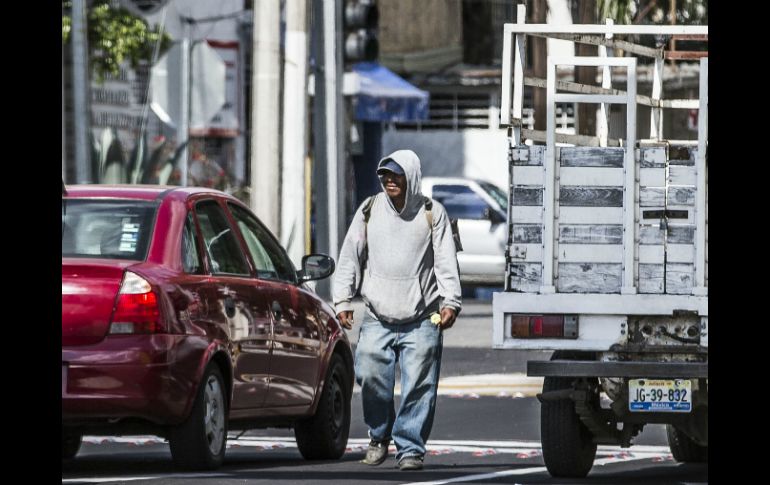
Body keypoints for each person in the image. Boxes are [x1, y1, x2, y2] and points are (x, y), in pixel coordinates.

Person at [333, 149, 462, 471]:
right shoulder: (369, 209)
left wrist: (451, 301)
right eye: (385, 175)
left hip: (423, 317)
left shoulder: (432, 212)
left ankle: (410, 449)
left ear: (412, 177)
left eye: (396, 175)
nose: (389, 180)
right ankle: (379, 436)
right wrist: (343, 299)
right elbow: (350, 255)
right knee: (369, 377)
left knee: (419, 386)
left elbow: (446, 261)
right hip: (378, 316)